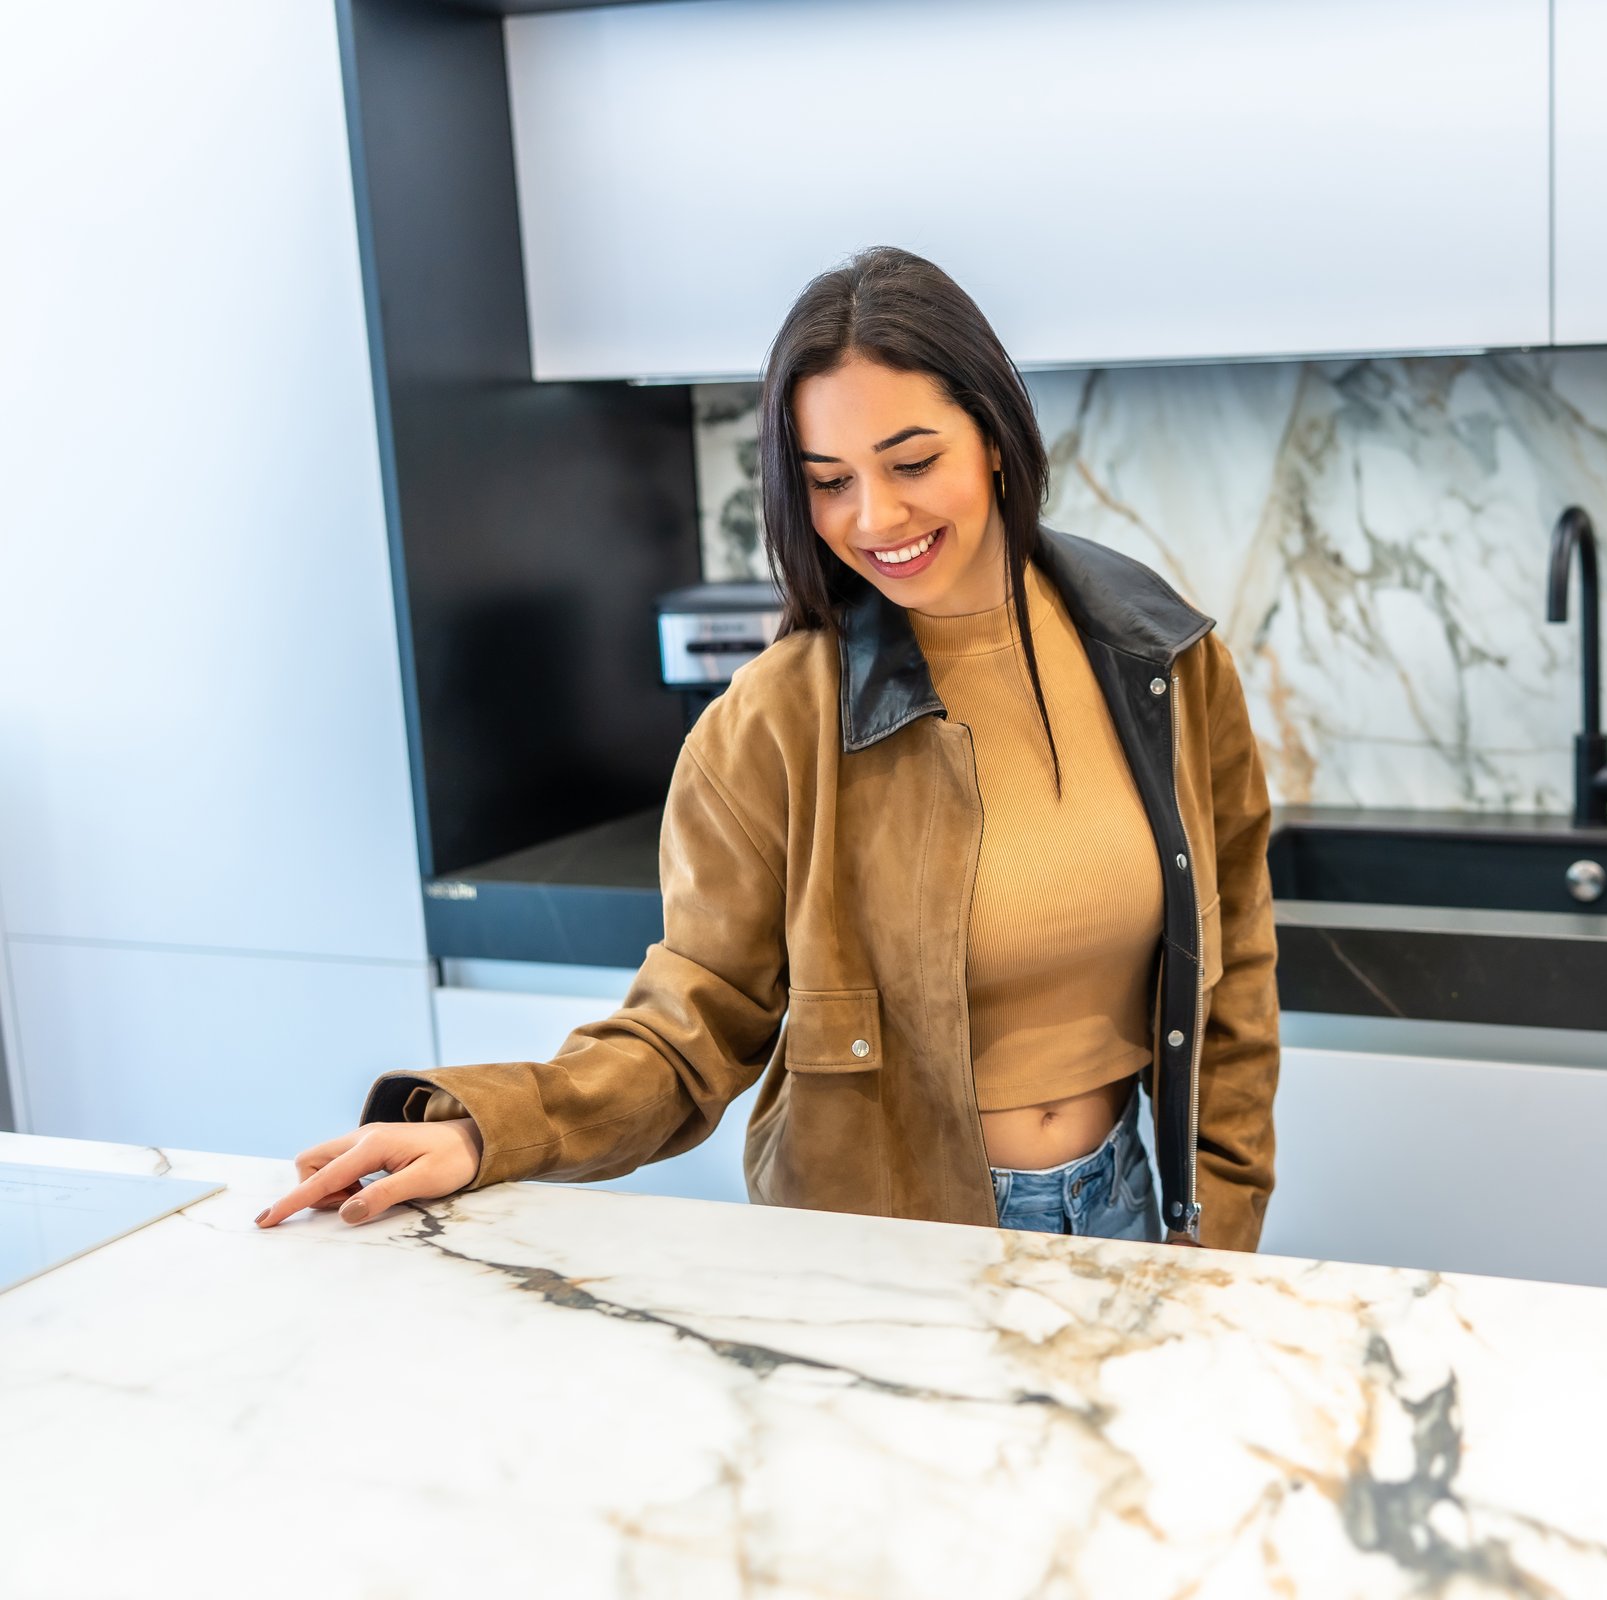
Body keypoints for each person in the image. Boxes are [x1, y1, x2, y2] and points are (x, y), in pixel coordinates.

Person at [255, 248, 1279, 1248]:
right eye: (829, 480)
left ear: (997, 433)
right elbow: (688, 1023)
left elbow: (1234, 978)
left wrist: (1218, 1235)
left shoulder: (1165, 664)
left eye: (913, 461)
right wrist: (493, 1129)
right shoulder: (772, 723)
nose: (876, 516)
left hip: (1125, 1213)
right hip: (877, 1243)